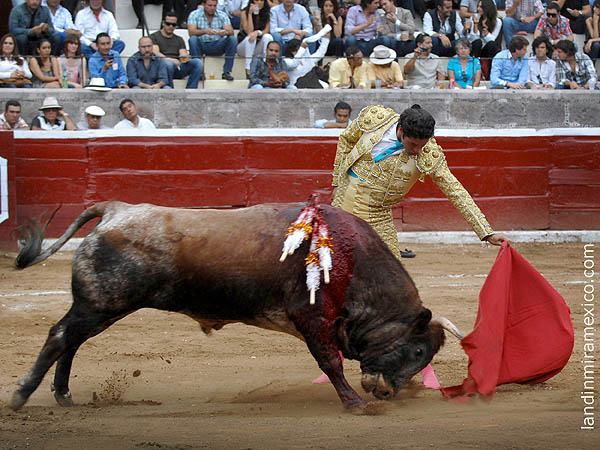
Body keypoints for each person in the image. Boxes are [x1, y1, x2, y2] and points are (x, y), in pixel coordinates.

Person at [331, 103, 511, 260]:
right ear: (400, 130)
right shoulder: (376, 119)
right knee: (329, 265)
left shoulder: (428, 153)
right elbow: (346, 139)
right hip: (341, 204)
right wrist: (337, 181)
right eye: (413, 144)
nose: (417, 151)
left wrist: (486, 232)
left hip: (377, 217)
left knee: (392, 278)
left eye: (422, 145)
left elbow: (454, 190)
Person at [188, 0, 237, 81]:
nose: (212, 8)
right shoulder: (195, 14)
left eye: (214, 5)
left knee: (232, 39)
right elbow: (191, 32)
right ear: (203, 4)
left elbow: (231, 31)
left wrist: (225, 32)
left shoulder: (222, 14)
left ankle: (226, 71)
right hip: (201, 45)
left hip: (217, 44)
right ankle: (198, 71)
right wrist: (205, 31)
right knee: (193, 39)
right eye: (210, 5)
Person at [151, 12, 203, 89]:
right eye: (168, 24)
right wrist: (171, 60)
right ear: (163, 23)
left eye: (174, 25)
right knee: (168, 64)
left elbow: (182, 54)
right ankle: (170, 90)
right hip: (162, 67)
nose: (171, 26)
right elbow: (156, 53)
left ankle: (191, 90)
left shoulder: (179, 39)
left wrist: (185, 56)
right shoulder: (154, 37)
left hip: (177, 66)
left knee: (198, 62)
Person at [237, 0, 273, 78]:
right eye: (256, 0)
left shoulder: (267, 13)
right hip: (244, 46)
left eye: (261, 0)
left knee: (268, 37)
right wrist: (250, 14)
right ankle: (248, 68)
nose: (259, 2)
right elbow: (249, 31)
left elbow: (266, 30)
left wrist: (258, 32)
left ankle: (265, 65)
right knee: (251, 37)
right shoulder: (244, 12)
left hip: (257, 46)